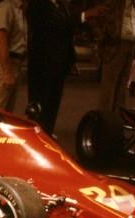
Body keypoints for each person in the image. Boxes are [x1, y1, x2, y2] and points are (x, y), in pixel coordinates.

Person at [26, 0, 105, 134]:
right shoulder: (38, 4)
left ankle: (47, 131)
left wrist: (70, 61)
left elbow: (67, 35)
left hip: (58, 64)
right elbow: (57, 25)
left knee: (53, 101)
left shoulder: (60, 5)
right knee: (41, 101)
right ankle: (37, 133)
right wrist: (84, 15)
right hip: (43, 64)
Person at [98, 0, 135, 112]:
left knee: (123, 86)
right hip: (116, 44)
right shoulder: (116, 3)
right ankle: (104, 121)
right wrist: (104, 36)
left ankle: (117, 119)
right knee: (110, 86)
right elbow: (100, 16)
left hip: (131, 44)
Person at [0, 0, 27, 112]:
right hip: (6, 63)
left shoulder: (20, 10)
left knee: (7, 111)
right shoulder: (6, 8)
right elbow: (2, 38)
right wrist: (7, 71)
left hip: (14, 64)